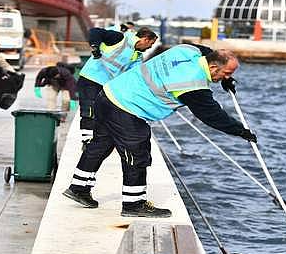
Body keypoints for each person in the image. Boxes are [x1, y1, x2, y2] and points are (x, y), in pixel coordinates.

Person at [62, 44, 256, 218]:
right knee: (136, 154)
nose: (228, 77)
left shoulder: (187, 51)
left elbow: (206, 51)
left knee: (100, 145)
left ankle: (79, 187)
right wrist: (241, 131)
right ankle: (134, 204)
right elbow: (212, 115)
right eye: (227, 73)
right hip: (127, 108)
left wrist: (224, 80)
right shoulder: (192, 84)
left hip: (109, 94)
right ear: (213, 68)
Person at [77, 26, 157, 146]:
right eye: (151, 44)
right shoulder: (120, 39)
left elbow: (135, 76)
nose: (150, 47)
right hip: (91, 78)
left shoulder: (137, 56)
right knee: (89, 111)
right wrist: (95, 47)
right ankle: (87, 142)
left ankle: (97, 140)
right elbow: (95, 31)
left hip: (106, 85)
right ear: (145, 39)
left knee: (103, 113)